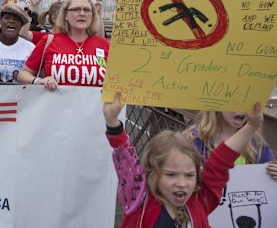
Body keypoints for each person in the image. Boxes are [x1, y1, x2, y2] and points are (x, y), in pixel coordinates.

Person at [103, 93, 265, 227]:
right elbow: (126, 159)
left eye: (189, 175)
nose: (181, 183)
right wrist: (112, 122)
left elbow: (220, 161)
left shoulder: (201, 199)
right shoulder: (138, 200)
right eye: (171, 175)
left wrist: (251, 127)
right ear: (153, 174)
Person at [17, 0, 109, 90]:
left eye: (87, 10)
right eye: (76, 9)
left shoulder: (105, 45)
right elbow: (23, 74)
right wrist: (38, 80)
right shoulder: (48, 41)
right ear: (66, 15)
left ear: (92, 16)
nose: (82, 13)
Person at [185, 111, 276, 180]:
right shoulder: (193, 140)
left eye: (247, 103)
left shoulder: (256, 142)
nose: (241, 109)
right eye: (235, 102)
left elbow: (268, 172)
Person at [0, 4, 34, 83]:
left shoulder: (30, 48)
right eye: (7, 17)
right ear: (0, 21)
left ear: (21, 26)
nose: (11, 21)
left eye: (16, 19)